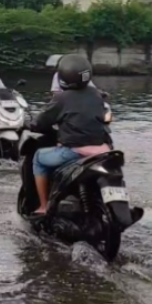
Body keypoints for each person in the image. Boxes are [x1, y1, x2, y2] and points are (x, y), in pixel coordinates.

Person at [30, 55, 111, 215]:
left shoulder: (62, 98)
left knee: (38, 158)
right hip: (103, 151)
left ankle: (43, 206)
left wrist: (30, 123)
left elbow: (40, 122)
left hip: (75, 151)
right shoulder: (96, 94)